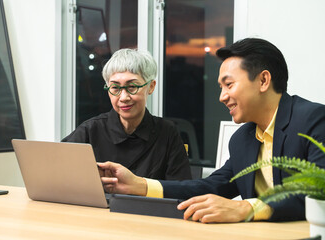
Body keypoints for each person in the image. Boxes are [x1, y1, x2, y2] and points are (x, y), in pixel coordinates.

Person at [98, 38, 325, 223]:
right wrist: (140, 185)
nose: (222, 96)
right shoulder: (242, 139)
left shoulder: (314, 120)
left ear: (263, 80)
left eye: (229, 84)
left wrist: (245, 208)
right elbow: (210, 186)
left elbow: (318, 192)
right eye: (220, 87)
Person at [63, 48, 192, 180]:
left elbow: (180, 190)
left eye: (132, 87)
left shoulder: (167, 133)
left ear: (151, 87)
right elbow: (58, 174)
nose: (123, 97)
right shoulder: (89, 131)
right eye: (115, 88)